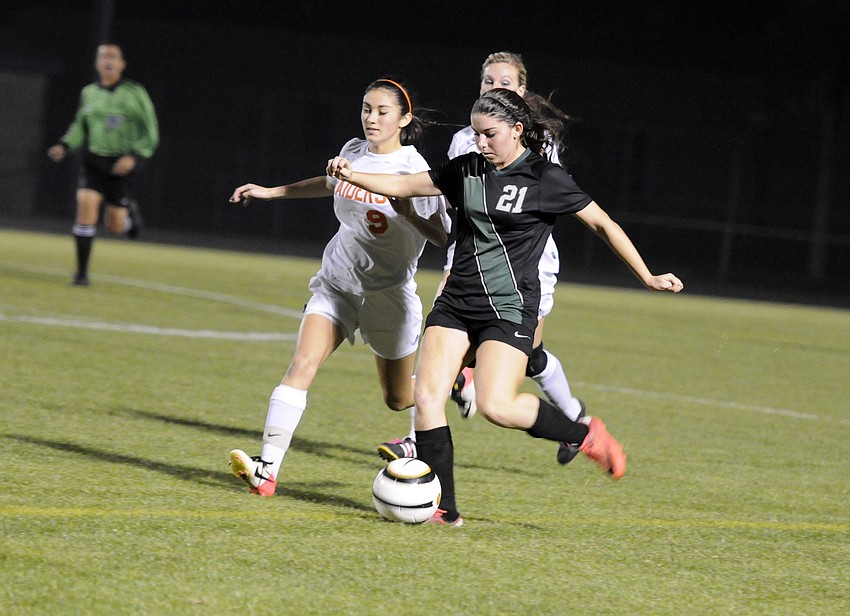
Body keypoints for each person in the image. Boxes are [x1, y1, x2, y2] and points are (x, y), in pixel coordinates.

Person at [328, 88, 683, 526]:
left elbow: (602, 224)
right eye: (476, 134)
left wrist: (647, 275)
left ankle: (583, 434)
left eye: (490, 134)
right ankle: (444, 509)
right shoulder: (467, 168)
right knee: (426, 397)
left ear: (516, 130)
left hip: (508, 308)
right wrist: (352, 174)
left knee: (497, 406)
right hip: (457, 301)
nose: (481, 143)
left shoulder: (545, 178)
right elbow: (402, 185)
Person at [227, 78, 449, 497]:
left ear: (404, 119)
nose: (371, 118)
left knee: (399, 398)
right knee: (302, 364)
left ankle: (447, 382)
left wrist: (406, 210)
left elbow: (440, 235)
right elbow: (327, 184)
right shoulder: (352, 150)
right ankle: (267, 470)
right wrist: (271, 192)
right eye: (366, 108)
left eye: (382, 111)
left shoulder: (415, 170)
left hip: (389, 294)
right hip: (338, 283)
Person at [378, 51, 585, 467]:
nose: (494, 87)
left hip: (526, 265)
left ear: (521, 90)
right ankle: (421, 439)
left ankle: (575, 420)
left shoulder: (538, 143)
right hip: (470, 257)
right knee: (449, 351)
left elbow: (539, 205)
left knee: (528, 356)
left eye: (504, 82)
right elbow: (459, 203)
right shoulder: (466, 140)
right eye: (488, 81)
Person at [47, 42, 159, 286]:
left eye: (113, 57)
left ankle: (128, 215)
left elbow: (150, 130)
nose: (108, 61)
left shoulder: (134, 92)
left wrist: (135, 156)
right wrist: (65, 145)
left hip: (121, 164)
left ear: (122, 64)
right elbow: (80, 125)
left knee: (115, 226)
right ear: (97, 64)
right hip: (94, 161)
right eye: (103, 57)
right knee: (85, 207)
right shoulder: (89, 93)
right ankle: (81, 274)